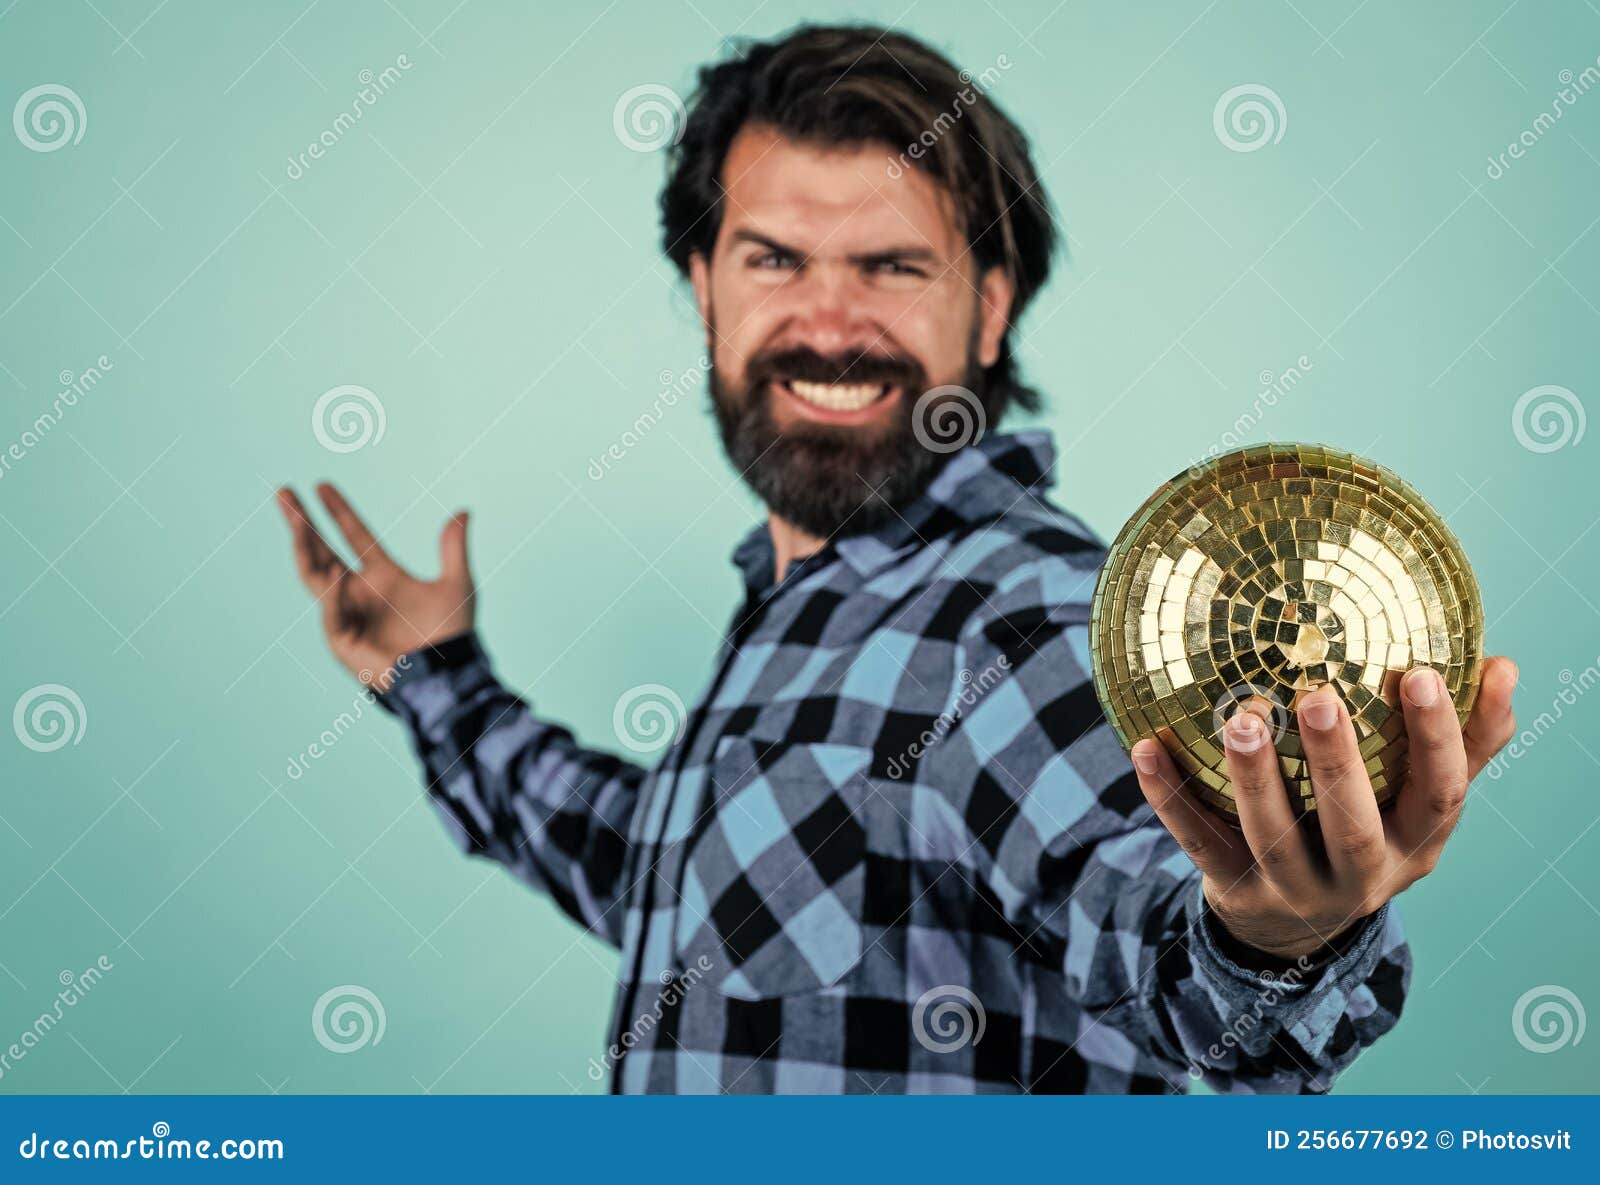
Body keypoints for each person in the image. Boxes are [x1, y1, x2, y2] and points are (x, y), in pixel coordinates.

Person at [275, 23, 1518, 1093]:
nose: (825, 322)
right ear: (703, 287)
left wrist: (1273, 938)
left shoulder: (1022, 619)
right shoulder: (799, 614)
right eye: (772, 259)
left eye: (890, 266)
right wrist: (433, 677)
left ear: (987, 305)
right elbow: (672, 877)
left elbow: (1171, 948)